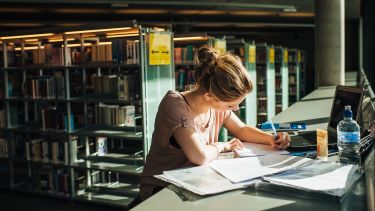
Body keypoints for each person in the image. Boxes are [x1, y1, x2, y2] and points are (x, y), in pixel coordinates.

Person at [138, 46, 290, 202]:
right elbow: (200, 156)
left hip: (194, 180)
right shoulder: (175, 105)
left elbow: (241, 129)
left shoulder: (216, 104)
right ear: (209, 96)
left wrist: (271, 139)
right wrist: (222, 146)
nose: (235, 109)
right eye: (231, 105)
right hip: (161, 188)